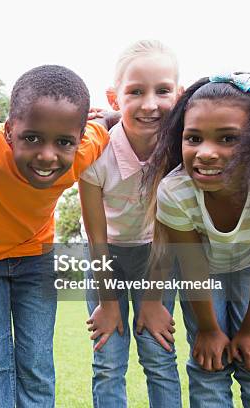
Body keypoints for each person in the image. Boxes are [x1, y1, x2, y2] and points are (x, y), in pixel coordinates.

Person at [0, 65, 111, 407]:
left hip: (37, 265)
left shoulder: (86, 149)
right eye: (32, 138)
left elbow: (108, 123)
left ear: (79, 137)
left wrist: (116, 112)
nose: (47, 155)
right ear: (10, 131)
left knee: (37, 367)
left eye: (63, 142)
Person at [143, 72, 250, 407]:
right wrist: (209, 330)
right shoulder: (176, 191)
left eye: (228, 139)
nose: (205, 153)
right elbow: (192, 264)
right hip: (203, 272)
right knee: (208, 362)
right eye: (193, 138)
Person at [79, 40, 182, 407]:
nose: (150, 103)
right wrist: (108, 302)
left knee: (159, 354)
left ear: (179, 94)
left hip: (157, 254)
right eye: (136, 91)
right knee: (107, 361)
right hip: (106, 256)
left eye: (163, 90)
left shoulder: (181, 153)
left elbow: (168, 233)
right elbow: (95, 237)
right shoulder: (95, 151)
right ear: (114, 97)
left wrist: (152, 300)